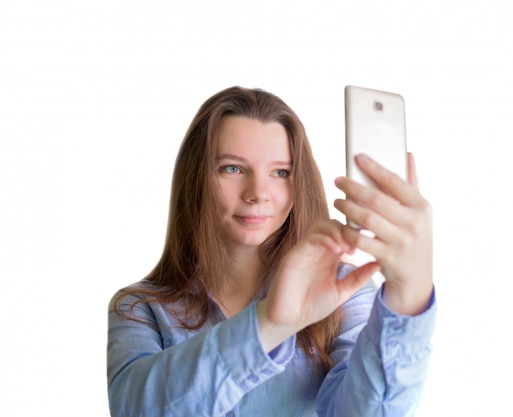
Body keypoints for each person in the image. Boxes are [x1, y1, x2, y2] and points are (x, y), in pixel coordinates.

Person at [107, 86, 437, 417]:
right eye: (233, 168)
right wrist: (268, 325)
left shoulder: (344, 295)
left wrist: (410, 298)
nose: (258, 193)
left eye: (280, 173)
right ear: (197, 178)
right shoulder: (139, 308)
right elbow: (137, 410)